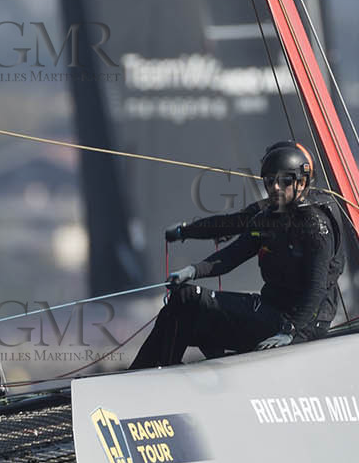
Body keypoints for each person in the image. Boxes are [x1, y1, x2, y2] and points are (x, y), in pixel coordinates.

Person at [129, 140, 345, 369]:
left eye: (283, 181)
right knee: (182, 304)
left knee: (188, 298)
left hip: (298, 325)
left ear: (301, 183)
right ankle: (142, 374)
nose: (275, 188)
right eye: (270, 182)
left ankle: (156, 375)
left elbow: (317, 287)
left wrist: (289, 332)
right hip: (270, 312)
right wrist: (192, 270)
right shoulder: (268, 218)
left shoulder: (315, 225)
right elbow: (232, 255)